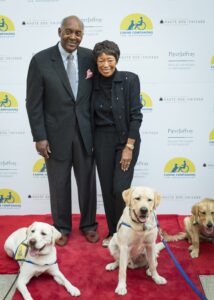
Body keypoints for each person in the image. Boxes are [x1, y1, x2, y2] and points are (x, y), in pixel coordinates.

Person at [26, 16, 99, 246]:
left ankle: (88, 225)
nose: (73, 37)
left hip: (86, 132)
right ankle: (61, 228)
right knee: (59, 184)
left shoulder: (90, 57)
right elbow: (33, 102)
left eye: (78, 33)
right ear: (60, 31)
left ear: (82, 35)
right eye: (69, 31)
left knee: (87, 181)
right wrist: (40, 137)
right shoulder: (41, 60)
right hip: (55, 135)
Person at [91, 40, 143, 247]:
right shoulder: (91, 82)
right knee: (106, 188)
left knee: (120, 189)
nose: (105, 65)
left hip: (126, 140)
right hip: (101, 139)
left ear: (117, 60)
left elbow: (136, 116)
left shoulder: (130, 79)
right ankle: (113, 232)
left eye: (109, 60)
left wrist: (128, 147)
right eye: (101, 61)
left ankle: (125, 232)